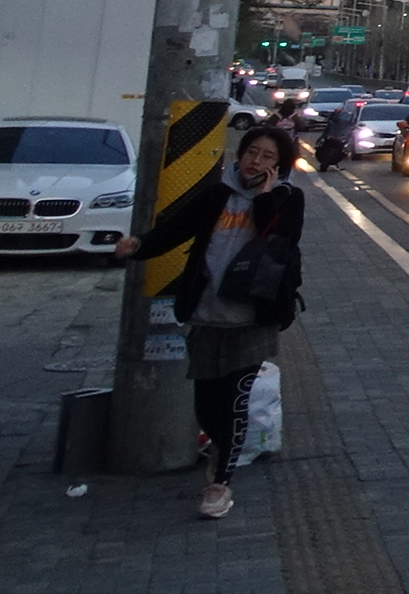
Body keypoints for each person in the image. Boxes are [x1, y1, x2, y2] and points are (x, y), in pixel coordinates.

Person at [115, 122, 306, 519]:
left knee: (234, 401)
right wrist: (139, 246)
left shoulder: (288, 198)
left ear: (280, 165)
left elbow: (281, 237)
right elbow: (177, 229)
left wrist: (264, 196)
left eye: (268, 157)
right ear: (240, 153)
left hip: (253, 318)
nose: (256, 162)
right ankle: (220, 453)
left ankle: (220, 484)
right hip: (207, 314)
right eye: (252, 152)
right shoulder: (217, 195)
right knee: (206, 403)